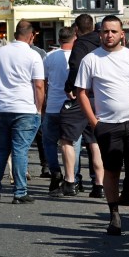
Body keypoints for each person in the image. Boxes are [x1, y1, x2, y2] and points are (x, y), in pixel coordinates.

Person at [74, 15, 129, 236]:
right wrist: (94, 122)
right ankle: (114, 217)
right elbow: (81, 92)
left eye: (113, 31)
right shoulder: (91, 59)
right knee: (111, 171)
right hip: (107, 125)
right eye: (105, 31)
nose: (109, 35)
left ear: (123, 34)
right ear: (99, 33)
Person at [0, 20, 45, 204]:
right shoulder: (33, 56)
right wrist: (39, 108)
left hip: (2, 107)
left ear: (15, 34)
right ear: (31, 35)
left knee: (0, 151)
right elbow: (39, 85)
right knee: (20, 150)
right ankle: (20, 192)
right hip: (25, 108)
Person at [62, 13, 105, 198]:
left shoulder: (80, 44)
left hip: (83, 96)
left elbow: (76, 66)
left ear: (77, 30)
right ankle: (99, 185)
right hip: (101, 96)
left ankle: (70, 181)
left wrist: (69, 86)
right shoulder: (103, 42)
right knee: (94, 142)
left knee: (66, 138)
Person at [44, 26, 79, 197]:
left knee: (49, 142)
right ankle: (72, 177)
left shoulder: (49, 57)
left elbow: (42, 82)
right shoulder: (79, 56)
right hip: (72, 106)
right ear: (75, 38)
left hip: (52, 105)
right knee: (72, 143)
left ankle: (55, 171)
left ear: (59, 40)